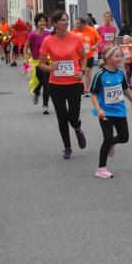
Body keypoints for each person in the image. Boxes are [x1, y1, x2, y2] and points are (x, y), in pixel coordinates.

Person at [38, 10, 87, 160]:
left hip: (74, 83)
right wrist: (50, 68)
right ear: (54, 23)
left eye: (67, 19)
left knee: (73, 117)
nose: (66, 22)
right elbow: (41, 64)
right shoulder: (48, 41)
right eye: (63, 20)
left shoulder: (76, 38)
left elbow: (84, 58)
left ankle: (78, 129)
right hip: (56, 85)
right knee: (62, 118)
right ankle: (67, 147)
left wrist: (82, 71)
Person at [90, 46, 132, 178]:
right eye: (117, 56)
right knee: (107, 138)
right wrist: (99, 110)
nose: (120, 58)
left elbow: (125, 89)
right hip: (105, 112)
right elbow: (94, 95)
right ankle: (101, 169)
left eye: (121, 56)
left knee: (124, 137)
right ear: (108, 58)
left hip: (119, 110)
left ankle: (113, 142)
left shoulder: (120, 74)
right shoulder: (100, 75)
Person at [26, 13, 51, 114]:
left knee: (46, 85)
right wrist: (25, 60)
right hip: (35, 63)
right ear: (36, 23)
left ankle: (45, 105)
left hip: (46, 62)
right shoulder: (32, 35)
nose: (42, 23)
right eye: (40, 21)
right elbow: (25, 47)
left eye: (44, 21)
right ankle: (36, 93)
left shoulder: (48, 34)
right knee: (37, 84)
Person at [71, 17, 101, 96]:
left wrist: (95, 45)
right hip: (77, 57)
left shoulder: (91, 30)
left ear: (84, 24)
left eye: (78, 24)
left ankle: (87, 90)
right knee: (79, 73)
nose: (76, 26)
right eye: (76, 24)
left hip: (89, 55)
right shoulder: (74, 31)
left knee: (87, 72)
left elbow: (99, 40)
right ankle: (80, 89)